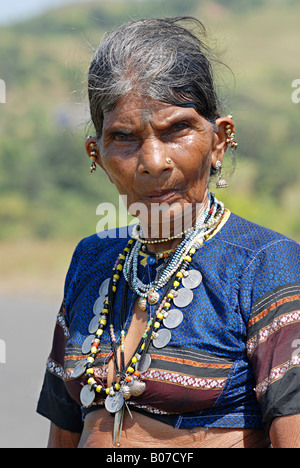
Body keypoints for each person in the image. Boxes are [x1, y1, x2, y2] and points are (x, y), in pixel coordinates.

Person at [37, 17, 300, 448]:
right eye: (123, 137)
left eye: (176, 129)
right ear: (97, 156)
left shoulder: (265, 263)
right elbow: (64, 432)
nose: (153, 161)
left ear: (219, 141)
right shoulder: (91, 260)